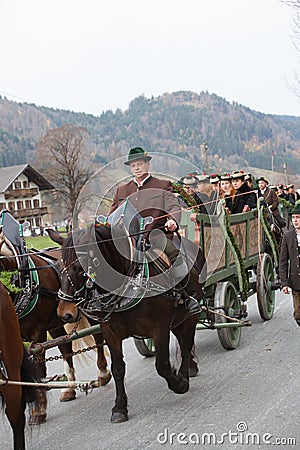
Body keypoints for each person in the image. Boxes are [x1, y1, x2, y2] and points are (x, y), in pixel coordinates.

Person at [109, 146, 200, 315]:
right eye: (133, 165)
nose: (136, 168)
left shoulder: (162, 185)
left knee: (173, 252)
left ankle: (190, 296)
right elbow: (112, 214)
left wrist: (172, 220)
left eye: (140, 164)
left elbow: (173, 206)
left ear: (147, 164)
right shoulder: (122, 190)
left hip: (156, 235)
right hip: (128, 238)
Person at [279, 204, 300, 327]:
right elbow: (283, 261)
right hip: (296, 281)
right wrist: (284, 283)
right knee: (298, 314)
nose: (296, 220)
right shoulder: (287, 236)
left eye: (298, 217)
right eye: (294, 218)